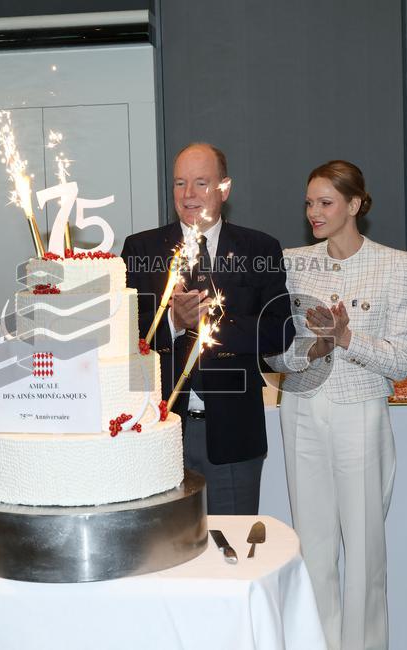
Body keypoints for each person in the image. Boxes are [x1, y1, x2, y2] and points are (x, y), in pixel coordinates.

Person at [265, 160, 407, 650]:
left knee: (365, 551)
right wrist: (307, 350)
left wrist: (347, 337)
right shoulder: (290, 261)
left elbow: (402, 363)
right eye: (310, 202)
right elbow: (272, 349)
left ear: (354, 205)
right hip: (302, 410)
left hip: (361, 411)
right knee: (311, 547)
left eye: (326, 202)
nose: (314, 211)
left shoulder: (396, 264)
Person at [122, 143, 294, 515]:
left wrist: (211, 324)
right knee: (166, 554)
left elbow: (281, 331)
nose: (188, 195)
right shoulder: (141, 248)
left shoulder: (259, 248)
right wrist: (172, 322)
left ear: (224, 188)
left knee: (231, 550)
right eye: (180, 183)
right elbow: (125, 335)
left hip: (233, 434)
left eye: (201, 183)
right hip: (160, 431)